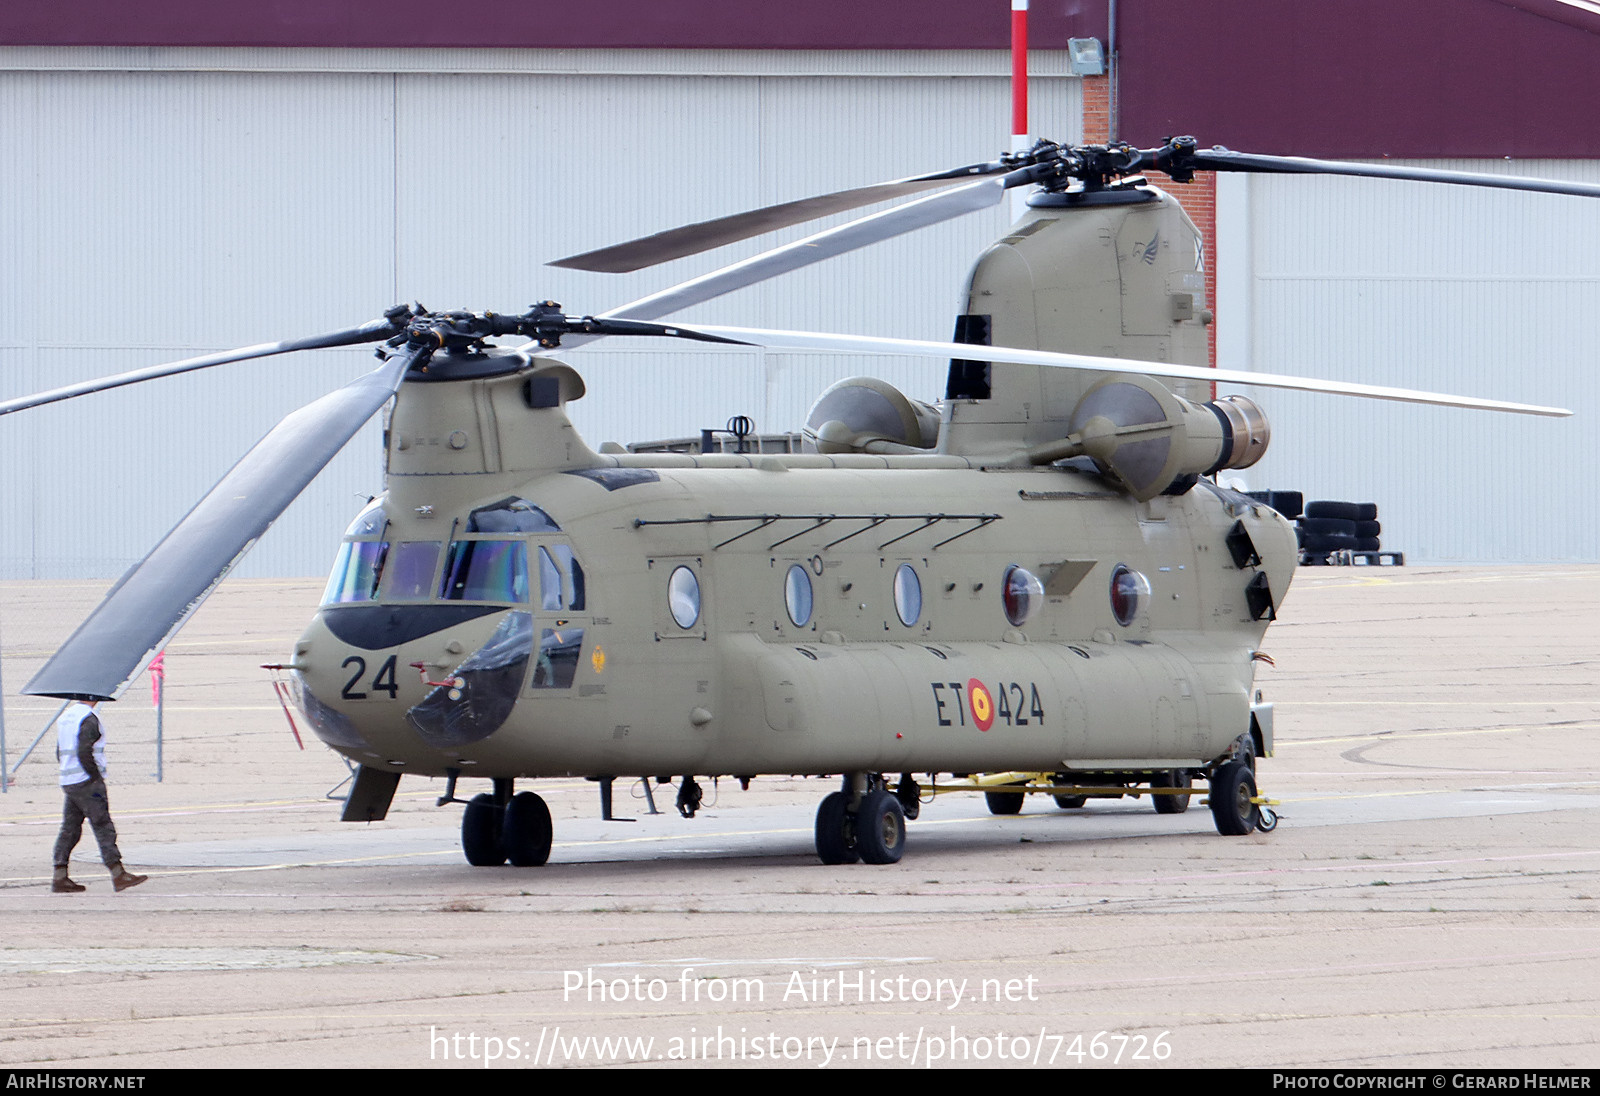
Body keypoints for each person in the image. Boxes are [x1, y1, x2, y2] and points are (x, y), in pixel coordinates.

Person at [51, 698, 146, 893]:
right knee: (103, 826)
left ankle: (59, 875)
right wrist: (94, 777)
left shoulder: (66, 717)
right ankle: (118, 873)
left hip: (69, 780)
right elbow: (84, 751)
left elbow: (59, 751)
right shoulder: (89, 718)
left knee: (70, 829)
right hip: (87, 782)